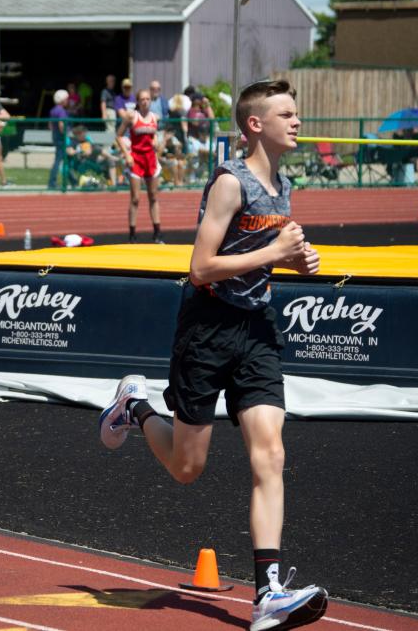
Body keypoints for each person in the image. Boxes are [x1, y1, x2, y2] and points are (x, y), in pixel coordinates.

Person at [99, 80, 328, 631]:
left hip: (257, 330)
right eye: (286, 114)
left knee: (269, 455)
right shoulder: (231, 182)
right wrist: (274, 251)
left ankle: (268, 592)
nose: (297, 122)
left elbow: (259, 257)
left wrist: (293, 262)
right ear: (255, 124)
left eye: (297, 113)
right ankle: (137, 408)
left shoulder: (284, 183)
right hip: (206, 329)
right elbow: (201, 266)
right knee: (186, 467)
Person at [115, 88, 163, 243]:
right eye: (142, 99)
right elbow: (119, 135)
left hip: (150, 159)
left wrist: (155, 140)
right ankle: (132, 235)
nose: (145, 101)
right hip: (136, 159)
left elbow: (153, 134)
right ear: (138, 101)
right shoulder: (131, 116)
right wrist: (127, 154)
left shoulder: (155, 118)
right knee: (135, 198)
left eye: (148, 99)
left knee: (153, 196)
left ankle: (157, 233)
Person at [47, 89, 69, 190]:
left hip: (55, 136)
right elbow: (61, 124)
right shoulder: (61, 111)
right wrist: (65, 134)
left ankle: (72, 180)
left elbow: (50, 125)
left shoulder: (53, 110)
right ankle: (52, 182)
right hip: (61, 138)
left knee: (63, 159)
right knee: (59, 160)